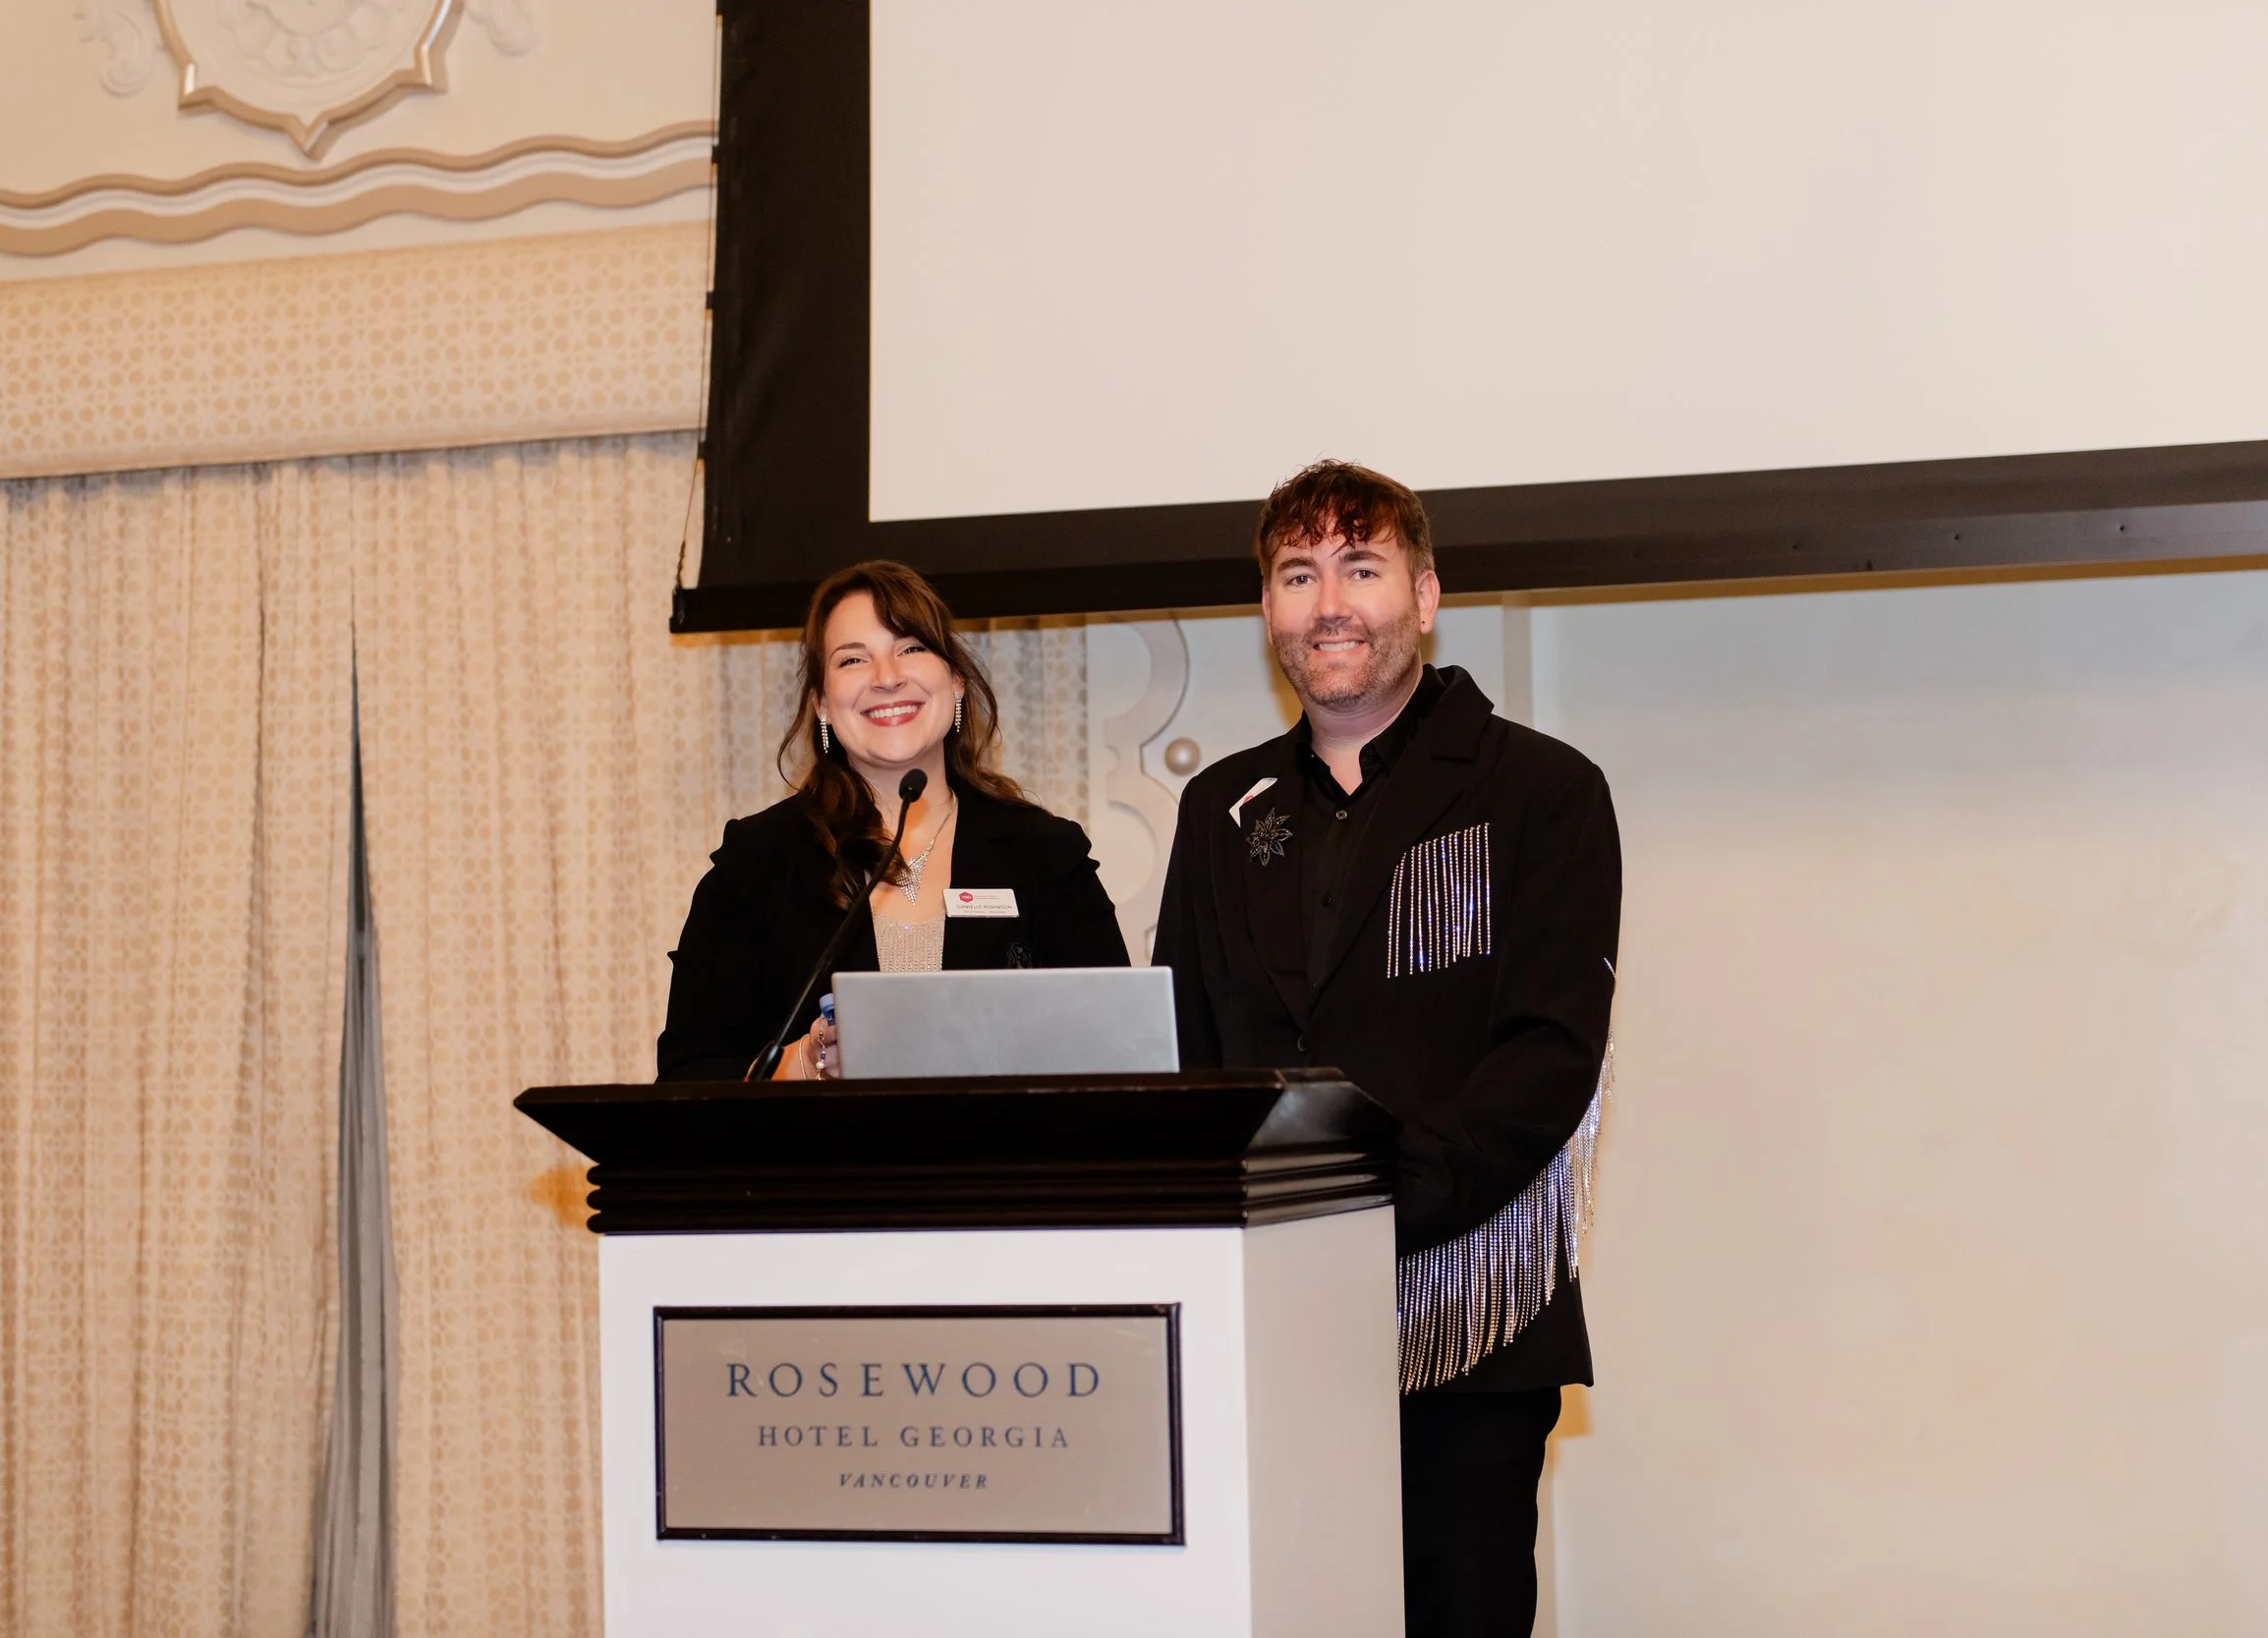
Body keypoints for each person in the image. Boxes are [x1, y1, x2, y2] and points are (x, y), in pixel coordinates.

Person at [1153, 461, 1619, 1638]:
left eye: (1359, 568)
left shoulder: (1542, 790)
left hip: (1463, 1316)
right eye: (1297, 574)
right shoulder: (1219, 808)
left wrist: (1369, 1209)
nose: (1328, 604)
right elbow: (1183, 1051)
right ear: (1267, 608)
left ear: (1423, 594)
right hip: (1266, 1325)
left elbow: (1547, 1056)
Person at [659, 559, 1130, 1081]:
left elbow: (1121, 1052)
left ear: (955, 682)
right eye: (853, 660)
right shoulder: (756, 862)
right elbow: (686, 1079)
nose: (887, 678)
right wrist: (803, 1062)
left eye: (910, 648)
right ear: (821, 704)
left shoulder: (1045, 855)